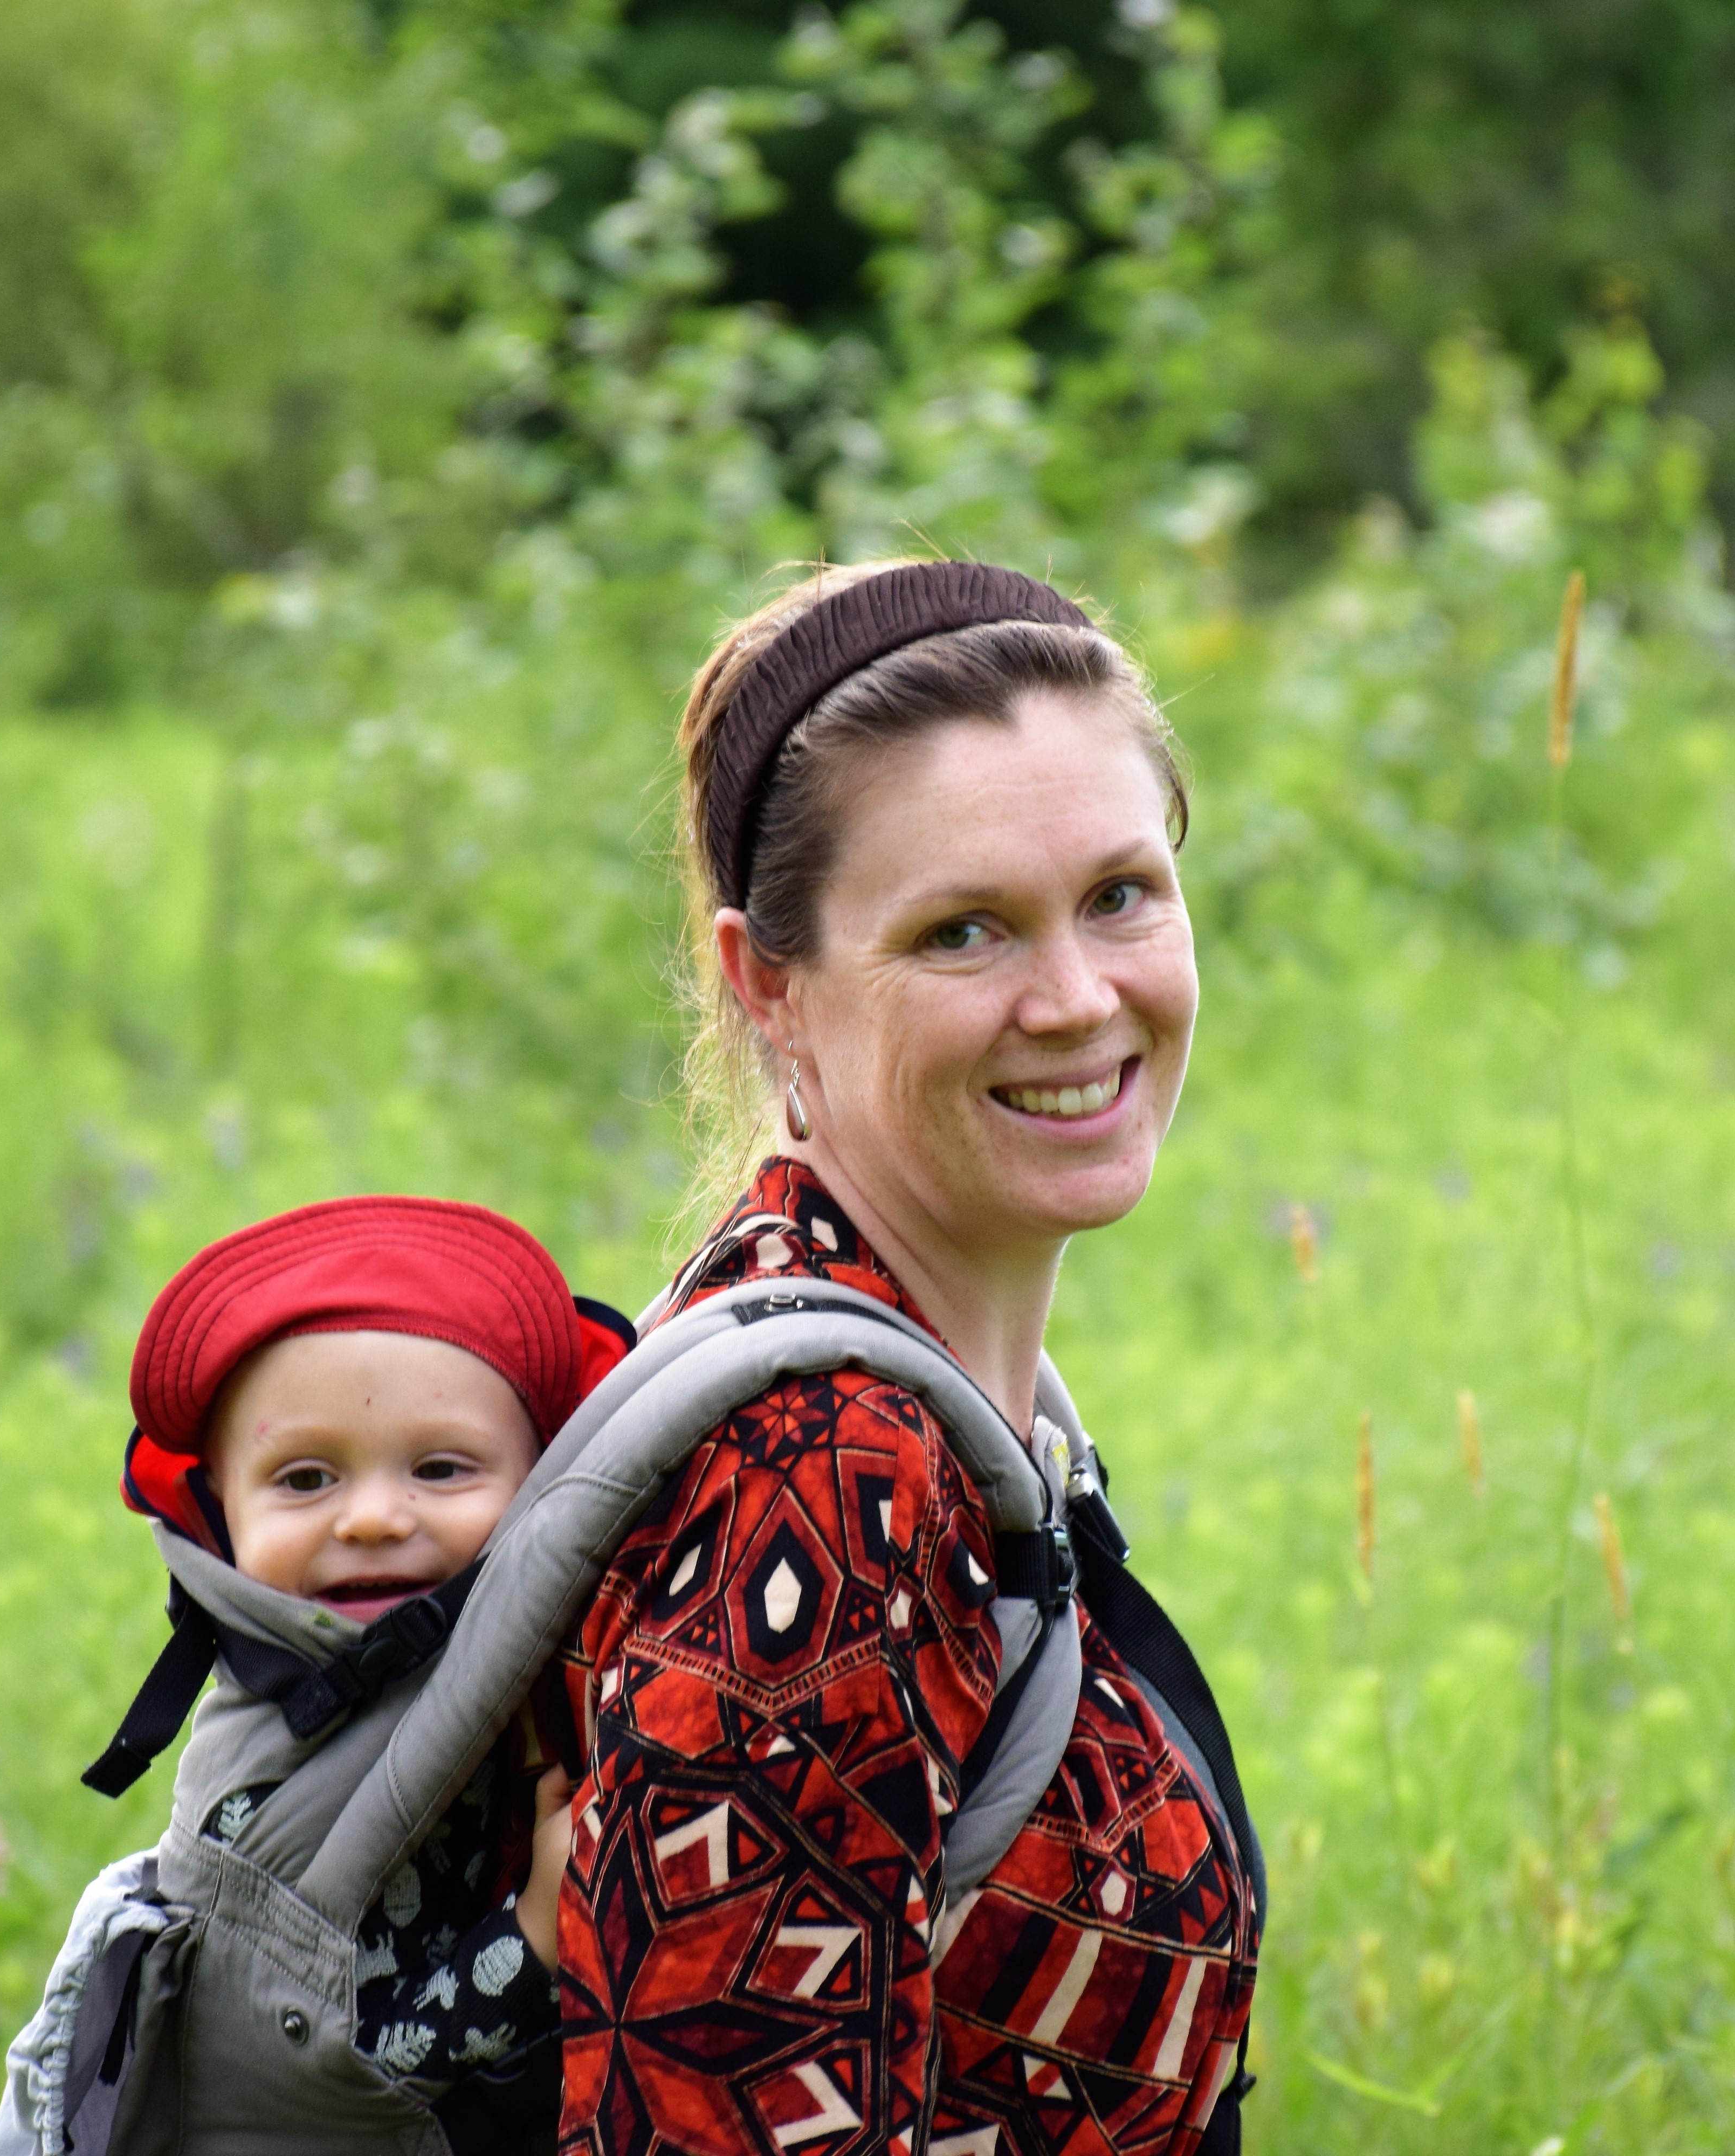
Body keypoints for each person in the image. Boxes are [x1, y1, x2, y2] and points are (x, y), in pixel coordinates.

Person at [552, 561, 1261, 2156]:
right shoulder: (818, 1473)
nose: (1078, 1000)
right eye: (965, 933)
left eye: (1122, 895)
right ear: (770, 989)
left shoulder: (928, 1400)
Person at [2, 1195, 603, 2146]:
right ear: (221, 1513)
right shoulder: (267, 1775)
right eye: (306, 1480)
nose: (370, 1518)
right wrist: (534, 1936)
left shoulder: (545, 1654)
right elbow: (336, 2065)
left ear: (540, 1482)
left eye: (441, 1470)